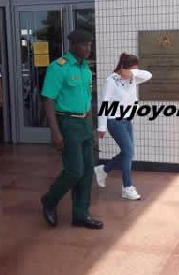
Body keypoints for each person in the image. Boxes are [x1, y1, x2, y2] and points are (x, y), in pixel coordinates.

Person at [39, 29, 103, 230]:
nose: (88, 49)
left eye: (90, 45)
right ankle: (50, 199)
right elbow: (48, 98)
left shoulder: (85, 69)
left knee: (86, 173)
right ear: (73, 45)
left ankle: (81, 214)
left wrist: (92, 130)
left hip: (84, 123)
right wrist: (55, 131)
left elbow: (87, 100)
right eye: (84, 45)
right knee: (74, 170)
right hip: (67, 123)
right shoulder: (59, 67)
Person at [93, 53, 152, 200]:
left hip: (127, 120)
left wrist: (131, 73)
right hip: (114, 121)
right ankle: (127, 187)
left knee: (128, 153)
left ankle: (103, 170)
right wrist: (101, 127)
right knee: (129, 151)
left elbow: (148, 75)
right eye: (132, 69)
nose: (134, 74)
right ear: (123, 67)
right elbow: (103, 104)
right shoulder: (111, 81)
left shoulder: (133, 78)